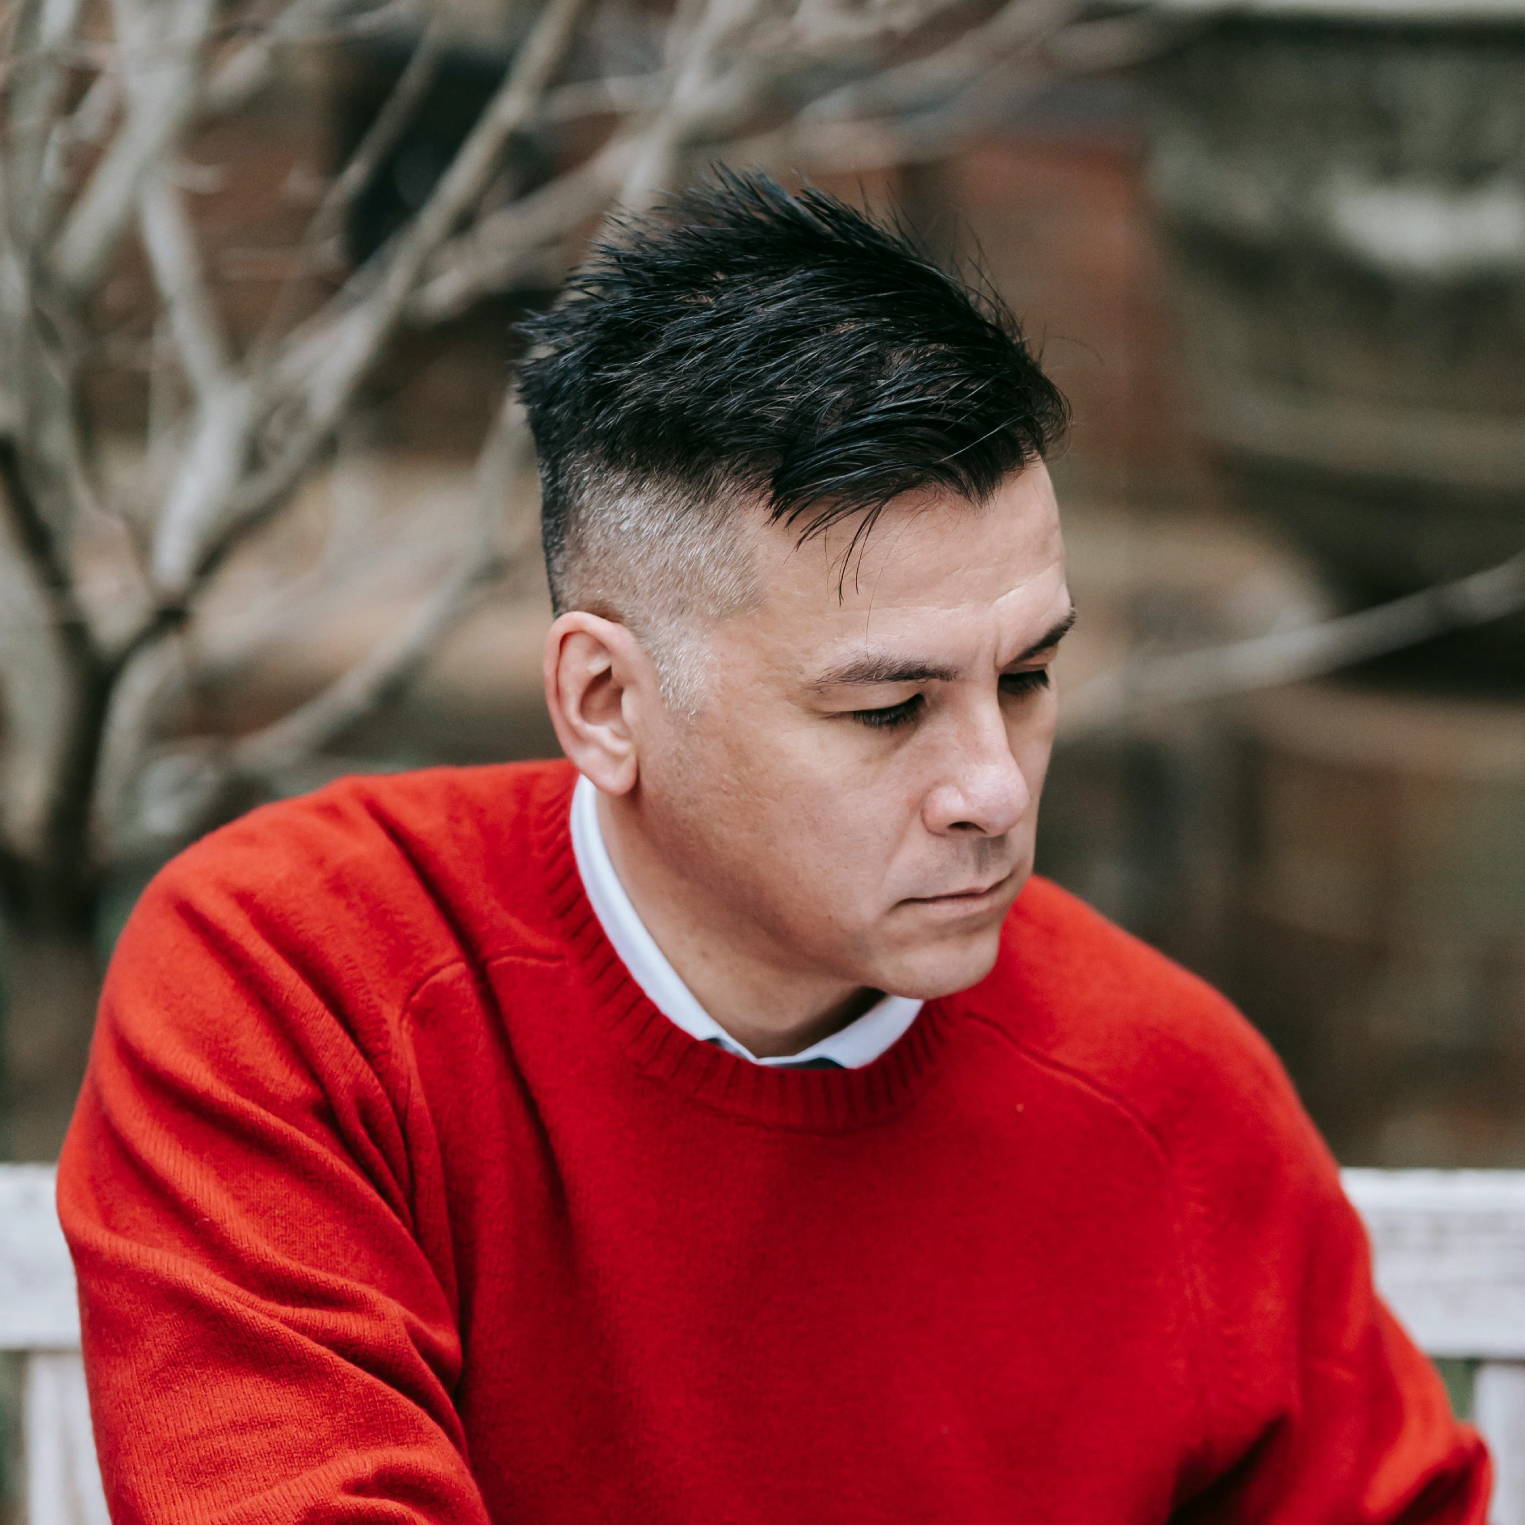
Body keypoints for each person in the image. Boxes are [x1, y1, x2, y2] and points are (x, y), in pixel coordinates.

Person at [57, 168, 1490, 1523]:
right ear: (605, 702)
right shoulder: (304, 977)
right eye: (887, 708)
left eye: (1030, 676)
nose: (990, 786)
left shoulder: (1170, 1096)